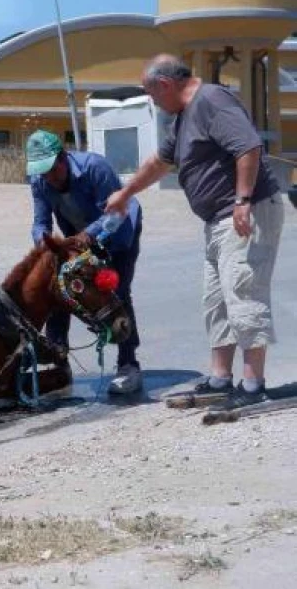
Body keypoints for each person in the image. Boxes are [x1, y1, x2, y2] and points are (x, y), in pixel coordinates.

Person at [106, 54, 285, 410]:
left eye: (151, 94)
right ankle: (220, 379)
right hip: (218, 221)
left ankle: (253, 387)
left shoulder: (211, 100)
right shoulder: (184, 118)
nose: (153, 102)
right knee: (216, 302)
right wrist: (126, 193)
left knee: (243, 293)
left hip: (246, 213)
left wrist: (242, 199)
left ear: (165, 85)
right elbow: (159, 162)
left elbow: (248, 146)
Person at [25, 129, 145, 394]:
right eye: (42, 172)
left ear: (63, 158)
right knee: (60, 291)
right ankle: (59, 365)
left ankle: (128, 364)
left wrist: (87, 236)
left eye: (52, 170)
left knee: (116, 292)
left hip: (119, 231)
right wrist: (44, 244)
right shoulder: (39, 181)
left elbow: (116, 213)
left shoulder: (95, 168)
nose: (49, 178)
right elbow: (40, 222)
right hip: (77, 237)